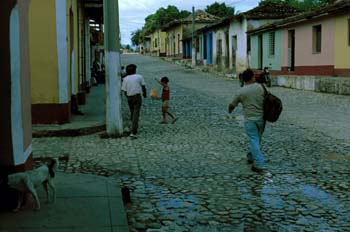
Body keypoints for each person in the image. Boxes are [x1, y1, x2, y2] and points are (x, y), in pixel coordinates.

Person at [228, 69, 266, 173]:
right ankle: (251, 155)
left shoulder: (241, 91)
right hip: (261, 119)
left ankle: (259, 164)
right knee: (257, 139)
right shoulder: (261, 87)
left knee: (254, 139)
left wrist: (230, 110)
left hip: (250, 120)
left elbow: (232, 105)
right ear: (252, 77)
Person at [121, 64, 147, 139]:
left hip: (129, 97)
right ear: (135, 70)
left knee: (132, 112)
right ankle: (133, 131)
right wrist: (144, 94)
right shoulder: (139, 77)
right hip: (137, 97)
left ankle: (132, 125)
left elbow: (124, 91)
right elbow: (143, 86)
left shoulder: (125, 79)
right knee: (136, 113)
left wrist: (128, 97)